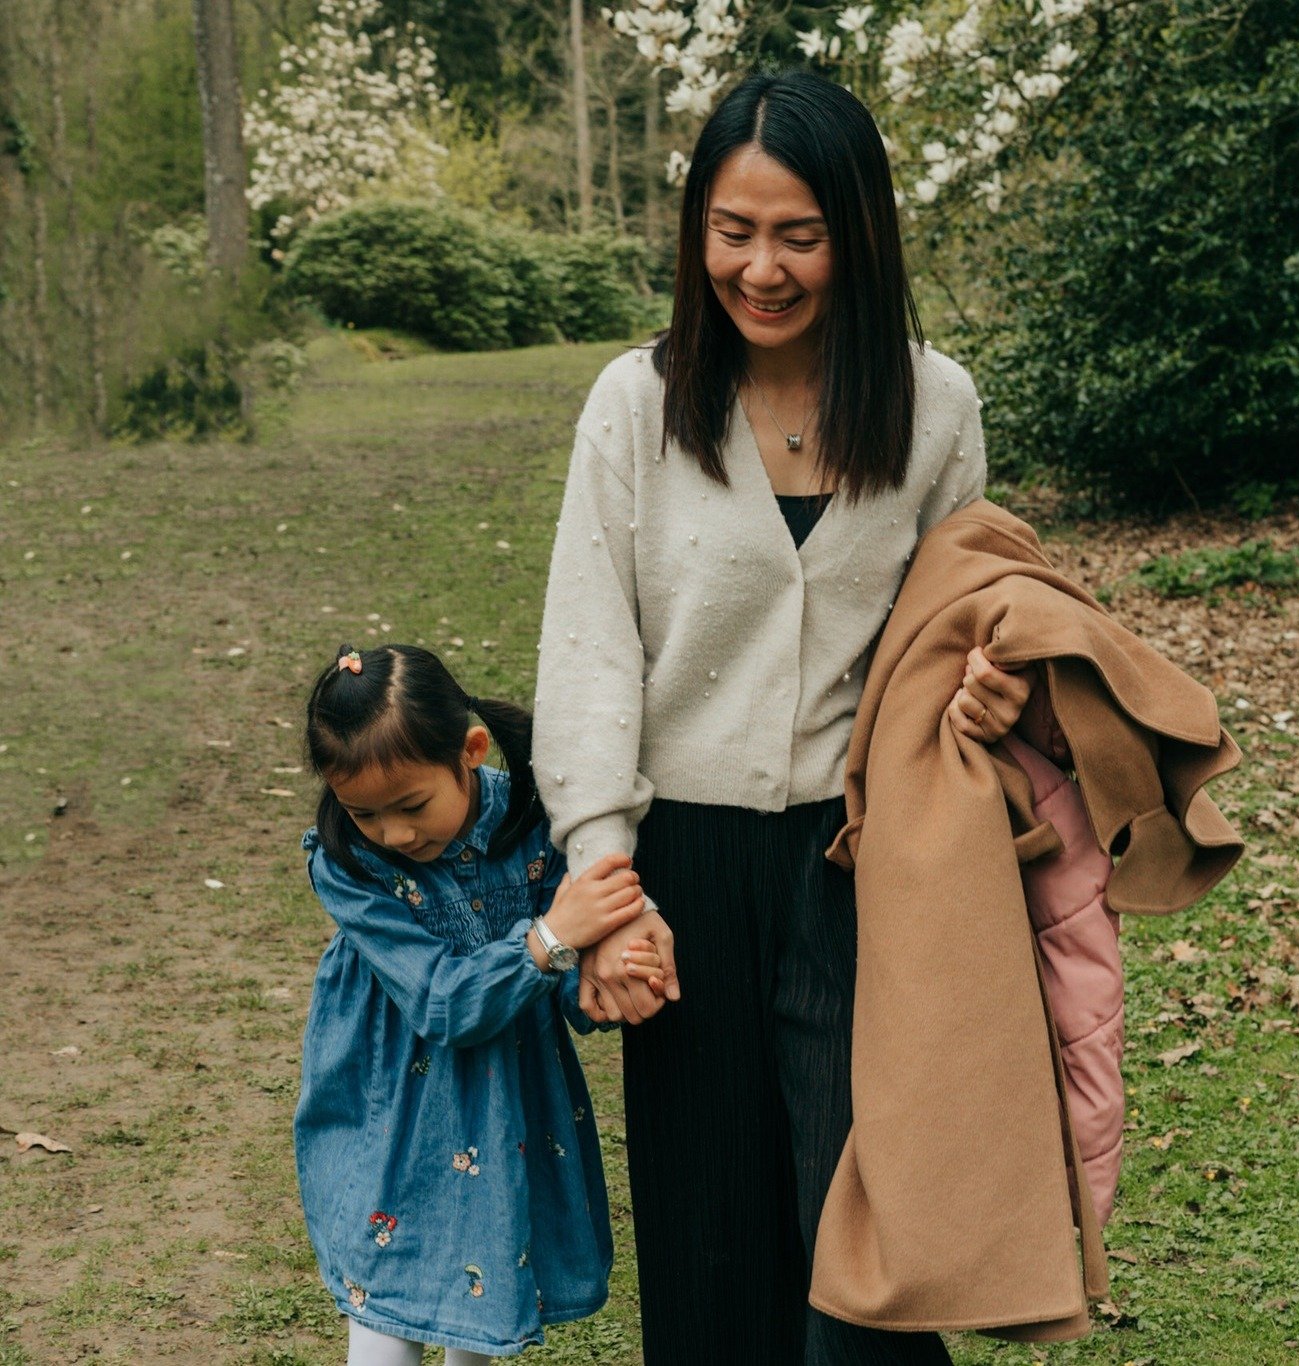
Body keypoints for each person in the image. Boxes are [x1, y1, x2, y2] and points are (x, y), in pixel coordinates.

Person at [532, 70, 1036, 1366]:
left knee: (864, 1262)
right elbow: (588, 655)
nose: (759, 267)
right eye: (731, 229)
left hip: (858, 867)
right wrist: (605, 875)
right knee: (710, 1265)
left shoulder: (934, 406)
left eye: (797, 234)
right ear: (695, 226)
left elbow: (959, 634)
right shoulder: (633, 407)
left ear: (858, 231)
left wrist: (987, 689)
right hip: (679, 875)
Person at [295, 644, 662, 1365]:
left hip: (505, 1099)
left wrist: (609, 978)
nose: (394, 834)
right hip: (392, 1105)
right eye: (363, 813)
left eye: (410, 806)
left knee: (485, 1267)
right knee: (388, 1278)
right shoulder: (348, 863)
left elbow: (568, 982)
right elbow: (439, 1002)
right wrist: (555, 937)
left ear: (469, 751)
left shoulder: (533, 821)